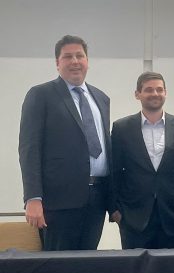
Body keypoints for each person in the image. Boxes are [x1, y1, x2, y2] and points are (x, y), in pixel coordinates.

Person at [19, 35, 113, 250]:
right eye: (67, 56)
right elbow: (29, 149)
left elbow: (106, 149)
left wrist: (112, 200)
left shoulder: (101, 98)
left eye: (80, 56)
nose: (75, 61)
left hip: (97, 198)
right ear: (57, 63)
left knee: (88, 267)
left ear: (87, 61)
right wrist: (33, 198)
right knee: (59, 269)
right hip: (59, 202)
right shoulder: (41, 95)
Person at [111, 72, 174, 249]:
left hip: (173, 216)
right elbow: (114, 171)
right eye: (148, 90)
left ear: (165, 92)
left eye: (159, 89)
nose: (155, 94)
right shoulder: (121, 128)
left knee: (173, 272)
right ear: (137, 94)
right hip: (134, 218)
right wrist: (115, 210)